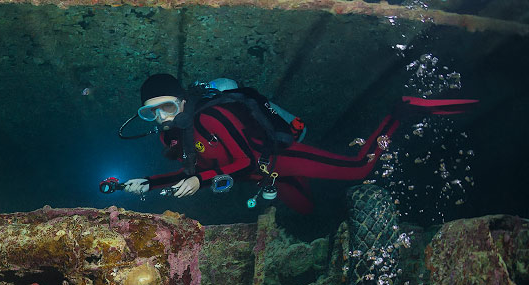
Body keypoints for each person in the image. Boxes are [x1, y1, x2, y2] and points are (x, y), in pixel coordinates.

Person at [121, 73, 477, 213]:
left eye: (166, 107)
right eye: (151, 113)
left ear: (182, 101)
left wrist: (200, 179)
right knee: (307, 211)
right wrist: (148, 183)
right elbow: (192, 172)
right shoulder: (175, 135)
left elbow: (243, 160)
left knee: (359, 166)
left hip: (279, 161)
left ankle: (400, 112)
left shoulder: (210, 118)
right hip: (270, 180)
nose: (162, 118)